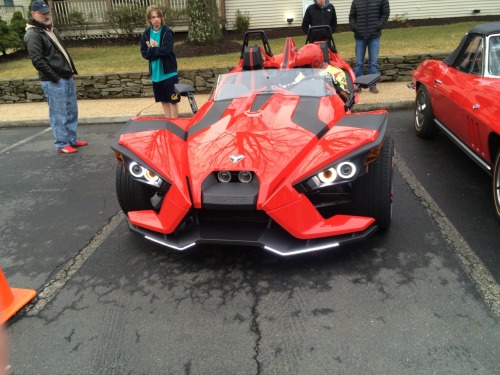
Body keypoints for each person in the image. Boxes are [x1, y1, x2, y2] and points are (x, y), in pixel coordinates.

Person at [24, 0, 87, 154]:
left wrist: (68, 72)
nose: (47, 15)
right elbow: (37, 60)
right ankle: (62, 143)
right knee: (58, 114)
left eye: (48, 12)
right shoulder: (32, 34)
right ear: (34, 14)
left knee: (71, 111)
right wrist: (54, 77)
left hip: (65, 76)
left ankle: (71, 139)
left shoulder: (51, 30)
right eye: (43, 13)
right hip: (54, 80)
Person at [140, 5, 180, 118]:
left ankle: (174, 127)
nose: (156, 19)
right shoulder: (146, 33)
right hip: (156, 75)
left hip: (169, 73)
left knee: (173, 100)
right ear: (149, 20)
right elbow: (144, 53)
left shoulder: (167, 32)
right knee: (163, 101)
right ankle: (168, 125)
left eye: (158, 16)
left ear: (161, 18)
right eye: (153, 17)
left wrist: (152, 50)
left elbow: (166, 51)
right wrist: (155, 51)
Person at [349, 0, 390, 94]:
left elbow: (385, 13)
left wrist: (378, 25)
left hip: (374, 36)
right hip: (360, 36)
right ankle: (359, 85)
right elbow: (352, 16)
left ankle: (373, 86)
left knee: (373, 63)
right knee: (359, 63)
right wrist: (355, 27)